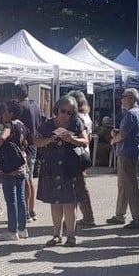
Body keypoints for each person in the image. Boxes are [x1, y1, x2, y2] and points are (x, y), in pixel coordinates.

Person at [34, 96, 90, 247]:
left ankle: (71, 236)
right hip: (51, 169)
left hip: (69, 168)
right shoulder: (47, 125)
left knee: (69, 204)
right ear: (57, 110)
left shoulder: (76, 123)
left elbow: (85, 141)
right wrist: (50, 140)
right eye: (63, 111)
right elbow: (36, 142)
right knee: (55, 203)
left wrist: (71, 139)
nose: (66, 115)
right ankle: (56, 235)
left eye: (70, 112)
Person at [107, 88, 139, 229]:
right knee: (123, 186)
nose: (121, 99)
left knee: (130, 187)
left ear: (130, 98)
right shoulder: (137, 113)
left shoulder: (130, 114)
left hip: (126, 153)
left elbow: (123, 135)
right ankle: (120, 214)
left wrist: (113, 140)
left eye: (123, 96)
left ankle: (137, 217)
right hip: (130, 152)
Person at [0, 100, 29, 241]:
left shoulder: (9, 125)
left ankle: (12, 230)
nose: (4, 113)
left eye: (6, 111)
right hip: (21, 163)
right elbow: (25, 143)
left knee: (11, 199)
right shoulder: (22, 125)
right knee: (21, 198)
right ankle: (23, 228)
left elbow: (2, 137)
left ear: (11, 113)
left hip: (9, 165)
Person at [13, 84, 43, 222]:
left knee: (25, 179)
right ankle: (31, 210)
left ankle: (26, 210)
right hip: (34, 145)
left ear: (16, 95)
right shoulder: (36, 106)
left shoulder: (21, 108)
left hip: (24, 147)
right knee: (29, 179)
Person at [68, 90, 96, 228]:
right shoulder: (87, 116)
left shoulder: (78, 117)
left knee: (79, 187)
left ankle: (87, 217)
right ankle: (85, 216)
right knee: (80, 186)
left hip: (77, 153)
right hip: (85, 152)